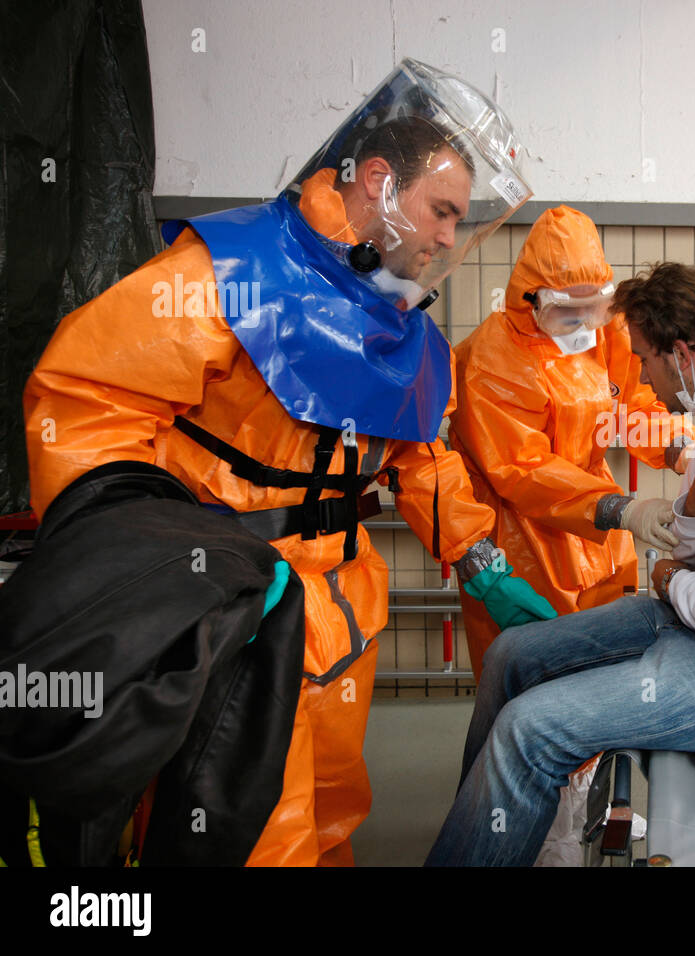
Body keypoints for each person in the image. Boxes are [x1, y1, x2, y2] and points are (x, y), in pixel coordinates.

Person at [23, 60, 555, 866]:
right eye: (442, 211)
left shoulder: (397, 324)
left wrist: (480, 562)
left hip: (340, 617)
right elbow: (84, 400)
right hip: (232, 613)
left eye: (459, 219)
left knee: (332, 816)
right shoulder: (233, 273)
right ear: (377, 182)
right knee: (248, 834)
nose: (451, 237)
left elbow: (420, 456)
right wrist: (161, 570)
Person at [426, 262, 695, 866]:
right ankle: (483, 835)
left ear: (683, 354)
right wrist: (690, 511)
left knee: (529, 731)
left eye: (643, 359)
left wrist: (669, 580)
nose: (638, 376)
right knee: (511, 656)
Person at [450, 205, 691, 679]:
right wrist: (621, 510)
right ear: (532, 299)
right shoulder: (492, 357)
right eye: (568, 310)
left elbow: (637, 406)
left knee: (605, 673)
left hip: (599, 538)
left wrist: (680, 448)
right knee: (531, 680)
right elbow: (523, 469)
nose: (583, 324)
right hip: (521, 542)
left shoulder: (607, 336)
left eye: (595, 307)